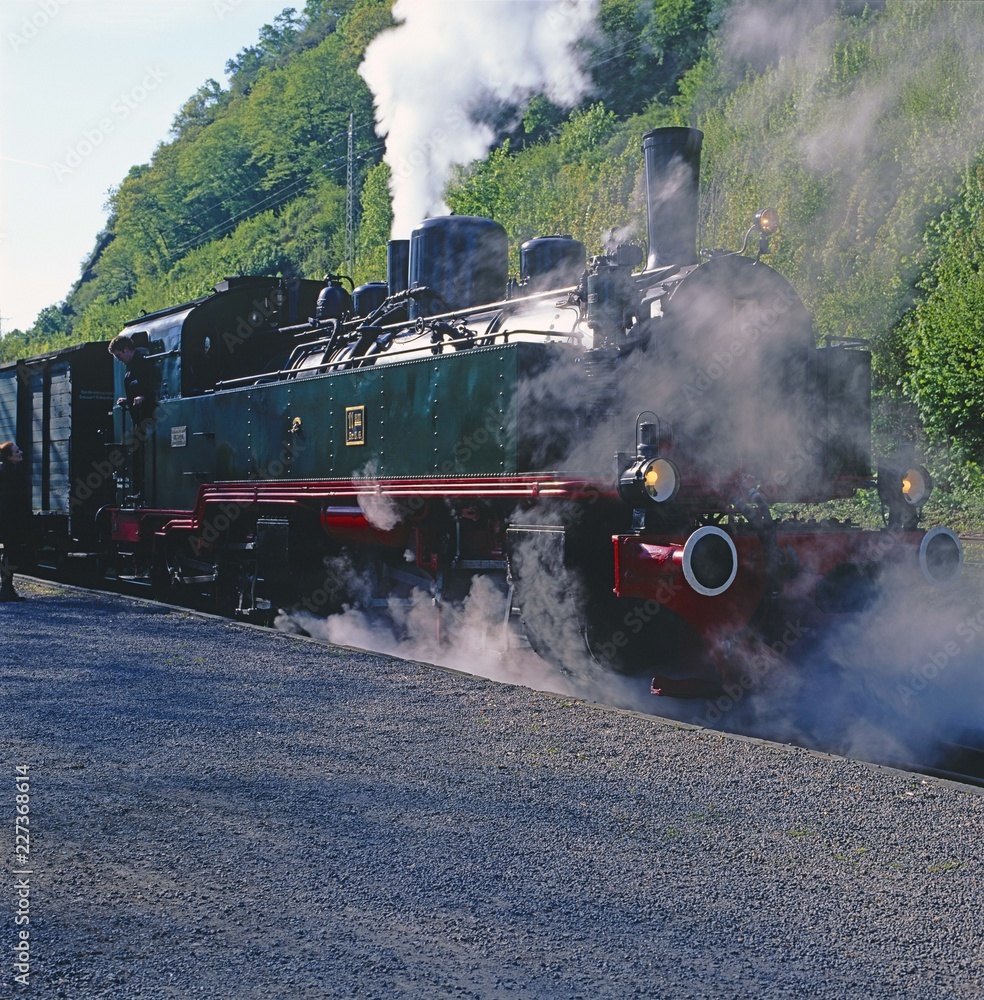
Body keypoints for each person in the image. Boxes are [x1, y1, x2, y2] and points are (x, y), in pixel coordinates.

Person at [108, 334, 156, 498]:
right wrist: (128, 400)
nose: (118, 359)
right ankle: (140, 491)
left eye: (118, 355)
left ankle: (143, 491)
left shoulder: (143, 361)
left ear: (126, 349)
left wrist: (144, 397)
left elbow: (152, 384)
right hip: (139, 418)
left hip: (148, 416)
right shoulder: (131, 365)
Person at [0, 441, 33, 602]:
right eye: (16, 451)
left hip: (11, 519)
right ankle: (6, 589)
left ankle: (7, 588)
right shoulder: (5, 472)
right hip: (9, 520)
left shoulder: (12, 470)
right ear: (9, 456)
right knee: (11, 553)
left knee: (11, 553)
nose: (20, 452)